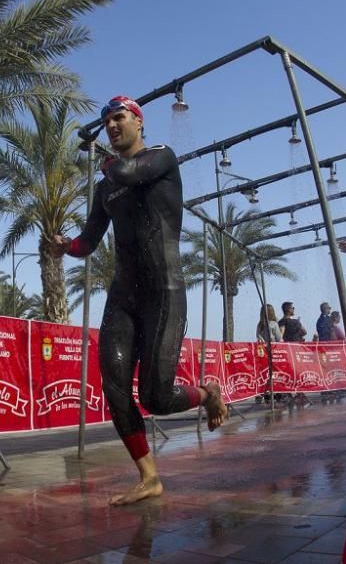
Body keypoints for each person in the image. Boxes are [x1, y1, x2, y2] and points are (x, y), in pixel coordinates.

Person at [49, 95, 228, 506]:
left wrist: (104, 161)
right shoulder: (104, 186)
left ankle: (207, 394)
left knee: (155, 399)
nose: (112, 126)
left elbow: (128, 172)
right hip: (124, 296)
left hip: (164, 293)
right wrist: (66, 246)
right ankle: (149, 477)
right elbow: (89, 240)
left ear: (138, 123)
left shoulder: (161, 158)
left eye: (119, 118)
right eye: (107, 121)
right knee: (114, 388)